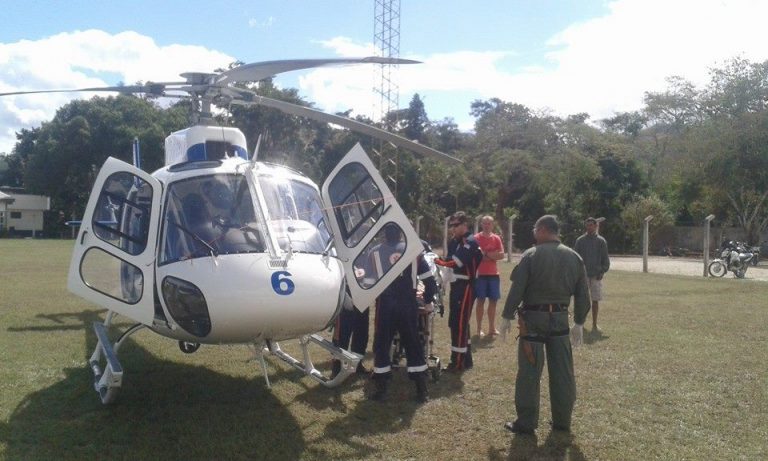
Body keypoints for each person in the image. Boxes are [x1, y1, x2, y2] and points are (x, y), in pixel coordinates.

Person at [500, 215, 590, 435]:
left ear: (541, 229)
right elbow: (583, 295)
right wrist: (579, 322)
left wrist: (506, 315)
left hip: (533, 321)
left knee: (529, 372)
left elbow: (517, 289)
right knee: (563, 373)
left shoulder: (531, 255)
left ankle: (526, 421)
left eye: (535, 229)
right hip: (560, 320)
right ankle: (562, 420)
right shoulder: (574, 257)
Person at [369, 223, 437, 403]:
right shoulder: (414, 252)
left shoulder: (374, 252)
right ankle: (421, 390)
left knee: (382, 344)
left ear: (384, 234)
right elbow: (429, 281)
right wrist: (427, 300)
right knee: (413, 343)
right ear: (401, 234)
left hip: (385, 305)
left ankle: (381, 388)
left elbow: (366, 280)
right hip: (407, 304)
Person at [435, 211, 483, 371]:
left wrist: (436, 260)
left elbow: (456, 262)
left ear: (465, 225)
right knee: (456, 322)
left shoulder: (470, 241)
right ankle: (466, 359)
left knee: (460, 323)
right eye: (451, 225)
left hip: (467, 285)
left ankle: (458, 362)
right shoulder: (454, 241)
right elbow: (449, 261)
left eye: (456, 225)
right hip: (456, 285)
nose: (453, 228)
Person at [574, 217, 610, 334]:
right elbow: (575, 258)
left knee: (595, 300)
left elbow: (605, 259)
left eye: (591, 225)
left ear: (596, 226)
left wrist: (602, 271)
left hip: (596, 275)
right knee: (581, 300)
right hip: (582, 276)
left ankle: (594, 324)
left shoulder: (601, 241)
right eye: (587, 225)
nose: (589, 227)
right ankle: (580, 323)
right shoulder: (580, 241)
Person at [473, 215, 505, 337]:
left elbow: (501, 255)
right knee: (480, 301)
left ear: (492, 225)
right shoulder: (476, 238)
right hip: (480, 275)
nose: (486, 225)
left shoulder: (496, 238)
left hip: (493, 275)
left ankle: (492, 328)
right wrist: (492, 255)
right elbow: (476, 256)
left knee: (493, 301)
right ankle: (479, 329)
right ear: (481, 224)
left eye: (489, 223)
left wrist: (485, 254)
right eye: (484, 223)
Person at [331, 303, 370, 377]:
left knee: (362, 328)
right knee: (343, 329)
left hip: (363, 298)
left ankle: (357, 364)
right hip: (346, 299)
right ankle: (337, 366)